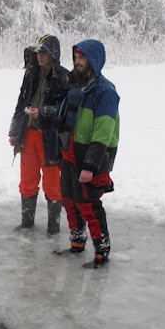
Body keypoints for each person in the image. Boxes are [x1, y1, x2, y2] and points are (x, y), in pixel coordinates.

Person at [57, 39, 120, 268]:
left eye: (81, 58)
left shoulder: (105, 92)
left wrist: (90, 165)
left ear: (93, 60)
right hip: (70, 155)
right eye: (75, 57)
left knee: (89, 204)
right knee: (69, 200)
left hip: (90, 159)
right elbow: (66, 118)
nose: (77, 62)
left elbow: (104, 132)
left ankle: (102, 251)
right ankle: (77, 242)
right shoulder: (76, 86)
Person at [8, 34, 70, 235]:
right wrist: (14, 130)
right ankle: (27, 223)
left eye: (43, 52)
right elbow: (20, 103)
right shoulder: (30, 74)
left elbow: (66, 109)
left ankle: (53, 228)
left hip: (50, 138)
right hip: (28, 134)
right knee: (27, 180)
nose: (40, 56)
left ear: (53, 54)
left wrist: (43, 112)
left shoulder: (63, 77)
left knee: (52, 183)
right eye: (37, 53)